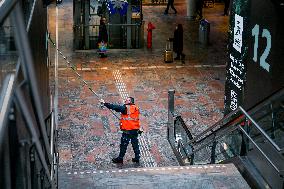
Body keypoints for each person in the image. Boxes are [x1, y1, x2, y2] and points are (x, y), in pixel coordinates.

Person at [100, 97, 141, 164]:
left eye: (127, 100)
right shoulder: (135, 108)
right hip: (135, 130)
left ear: (130, 101)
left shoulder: (126, 108)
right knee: (135, 144)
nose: (125, 100)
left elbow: (116, 107)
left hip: (127, 131)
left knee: (123, 145)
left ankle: (120, 158)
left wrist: (105, 103)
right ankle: (137, 158)